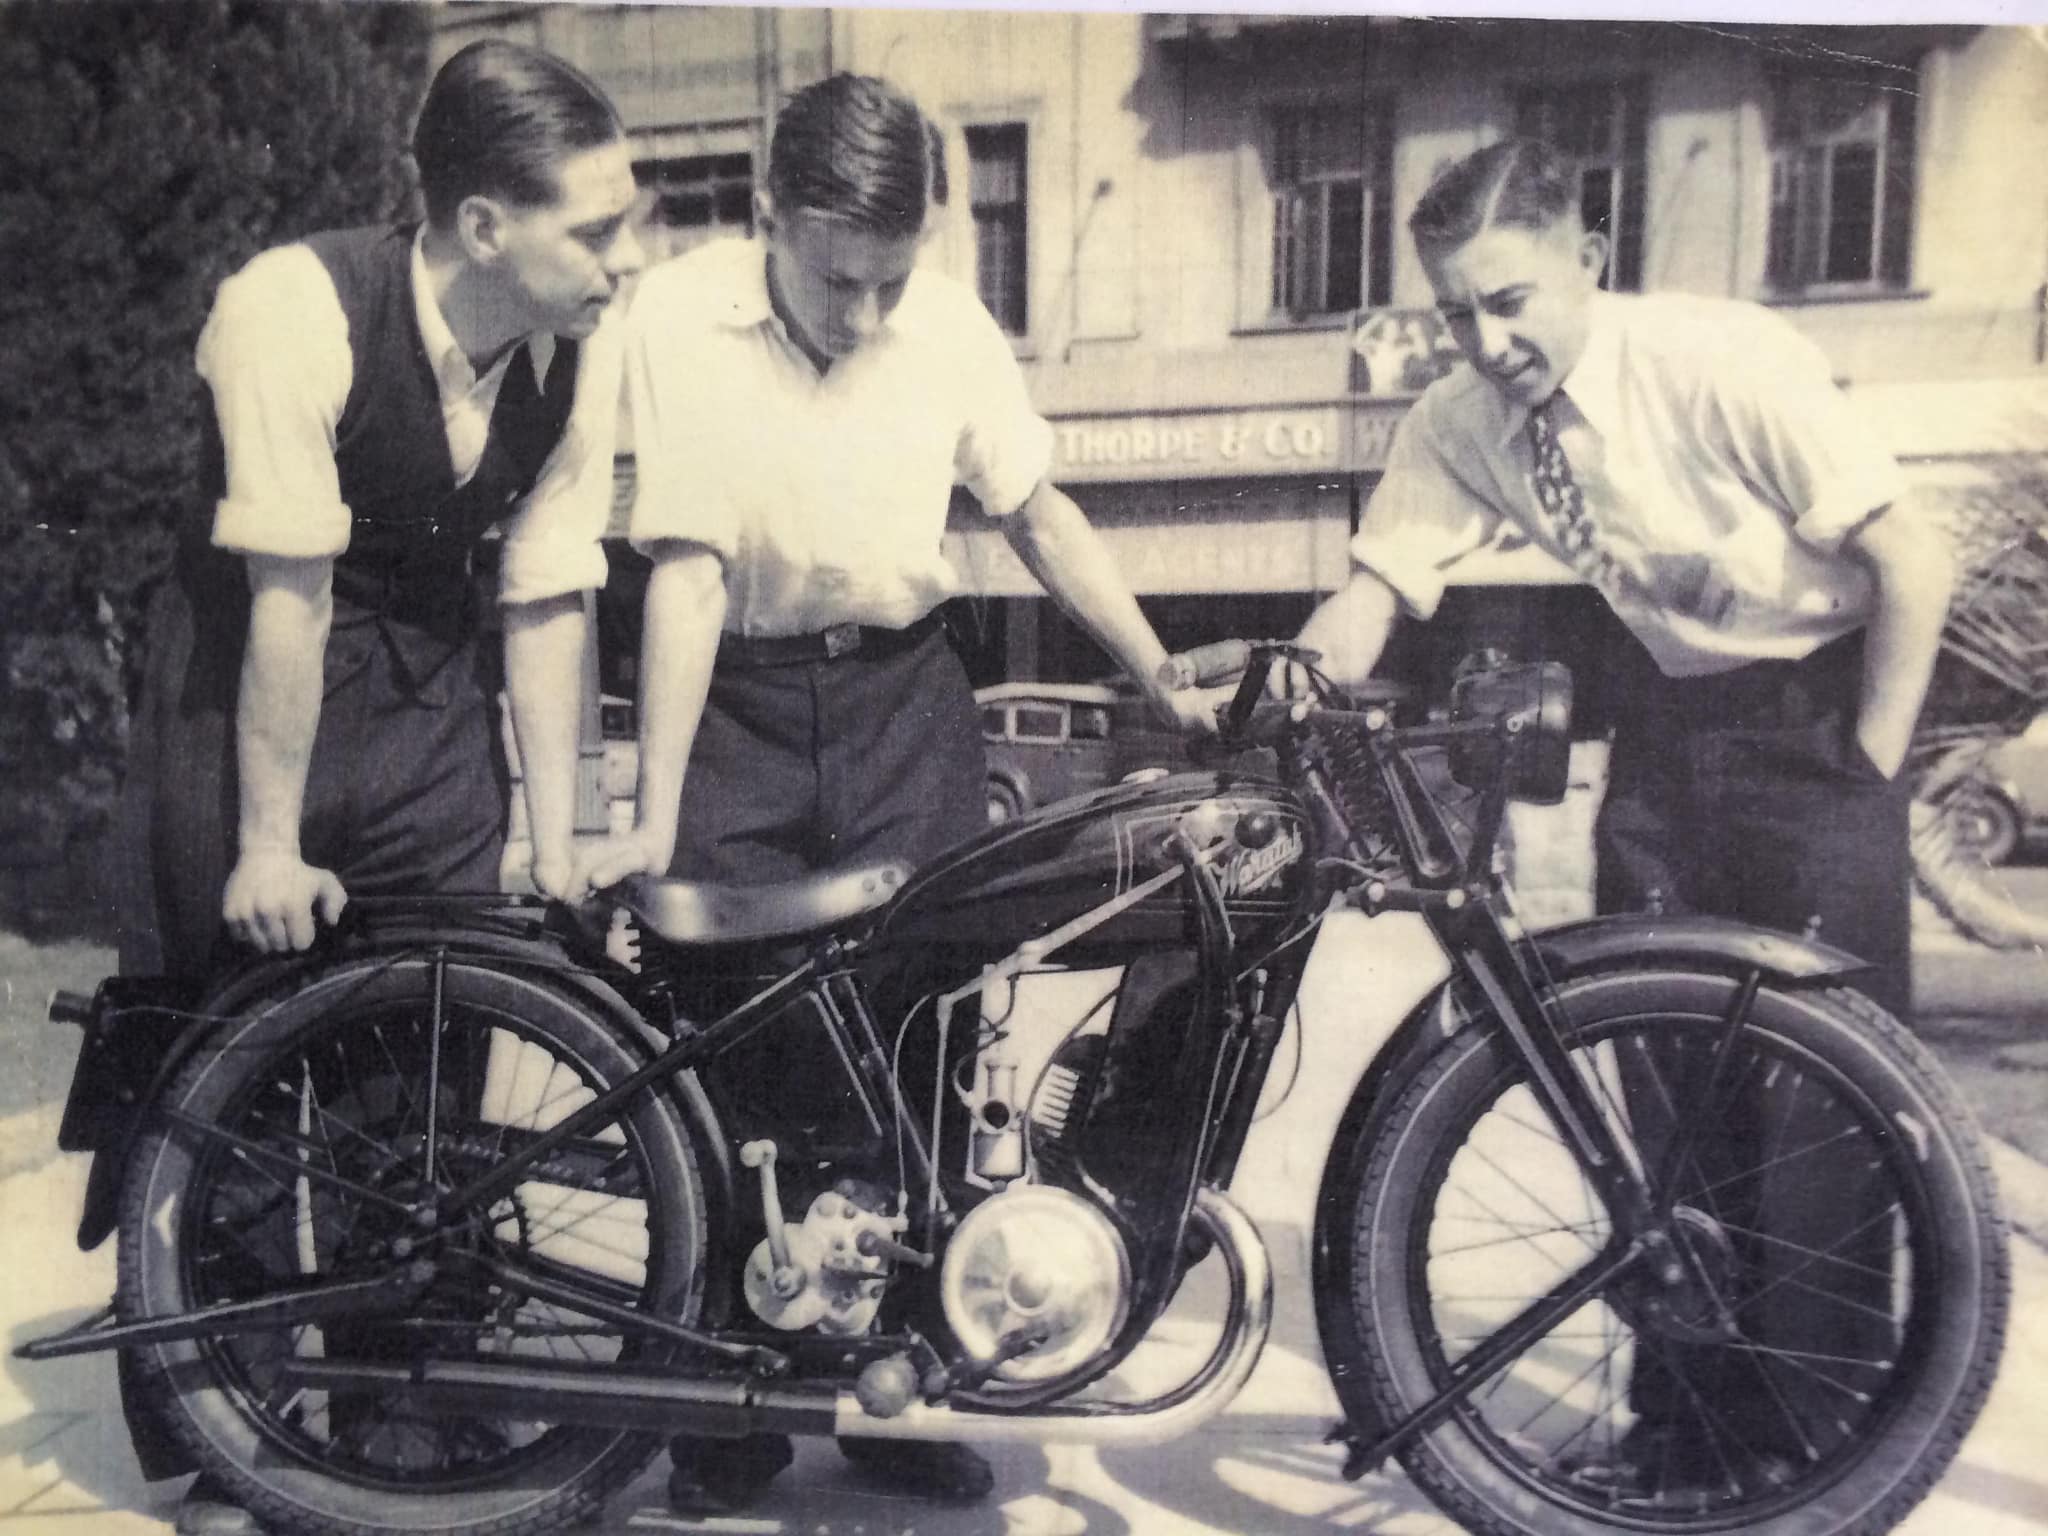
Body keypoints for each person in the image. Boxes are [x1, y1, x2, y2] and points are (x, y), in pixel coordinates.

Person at [574, 71, 1212, 1516]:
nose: (865, 314)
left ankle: (895, 1396)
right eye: (836, 276)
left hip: (904, 701)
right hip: (730, 694)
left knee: (919, 1053)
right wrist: (650, 801)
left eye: (892, 277)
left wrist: (1157, 667)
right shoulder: (674, 316)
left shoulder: (949, 329)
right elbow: (681, 570)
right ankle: (722, 1412)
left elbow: (1035, 507)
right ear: (767, 217)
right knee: (728, 1058)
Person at [1294, 137, 1952, 1493]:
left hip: (1812, 723)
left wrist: (1865, 776)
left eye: (1512, 299)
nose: (1487, 339)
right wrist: (1282, 693)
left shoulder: (1721, 359)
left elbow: (1913, 557)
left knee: (1821, 1121)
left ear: (1589, 260)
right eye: (1459, 310)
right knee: (1661, 1091)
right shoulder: (1460, 418)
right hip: (1661, 726)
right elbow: (1375, 589)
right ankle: (1682, 1428)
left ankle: (1821, 1456)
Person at [114, 39, 641, 1536]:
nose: (625, 260)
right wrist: (267, 848)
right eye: (595, 230)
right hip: (240, 706)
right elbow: (286, 596)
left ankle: (402, 1434)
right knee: (221, 1098)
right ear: (485, 227)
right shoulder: (290, 307)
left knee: (414, 1105)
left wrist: (557, 835)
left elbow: (546, 603)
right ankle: (229, 1450)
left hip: (419, 714)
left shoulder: (570, 359)